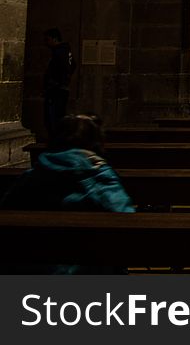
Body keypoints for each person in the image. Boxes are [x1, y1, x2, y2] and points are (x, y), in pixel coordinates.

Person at [0, 113, 134, 274]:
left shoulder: (32, 175)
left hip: (28, 269)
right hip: (87, 271)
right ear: (97, 142)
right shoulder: (99, 175)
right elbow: (125, 220)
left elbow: (7, 209)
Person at [43, 28, 76, 141]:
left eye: (48, 40)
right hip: (61, 89)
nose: (46, 43)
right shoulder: (66, 51)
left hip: (56, 90)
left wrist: (56, 83)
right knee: (57, 117)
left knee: (53, 119)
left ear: (54, 39)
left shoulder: (60, 52)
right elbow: (72, 66)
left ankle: (56, 141)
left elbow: (66, 68)